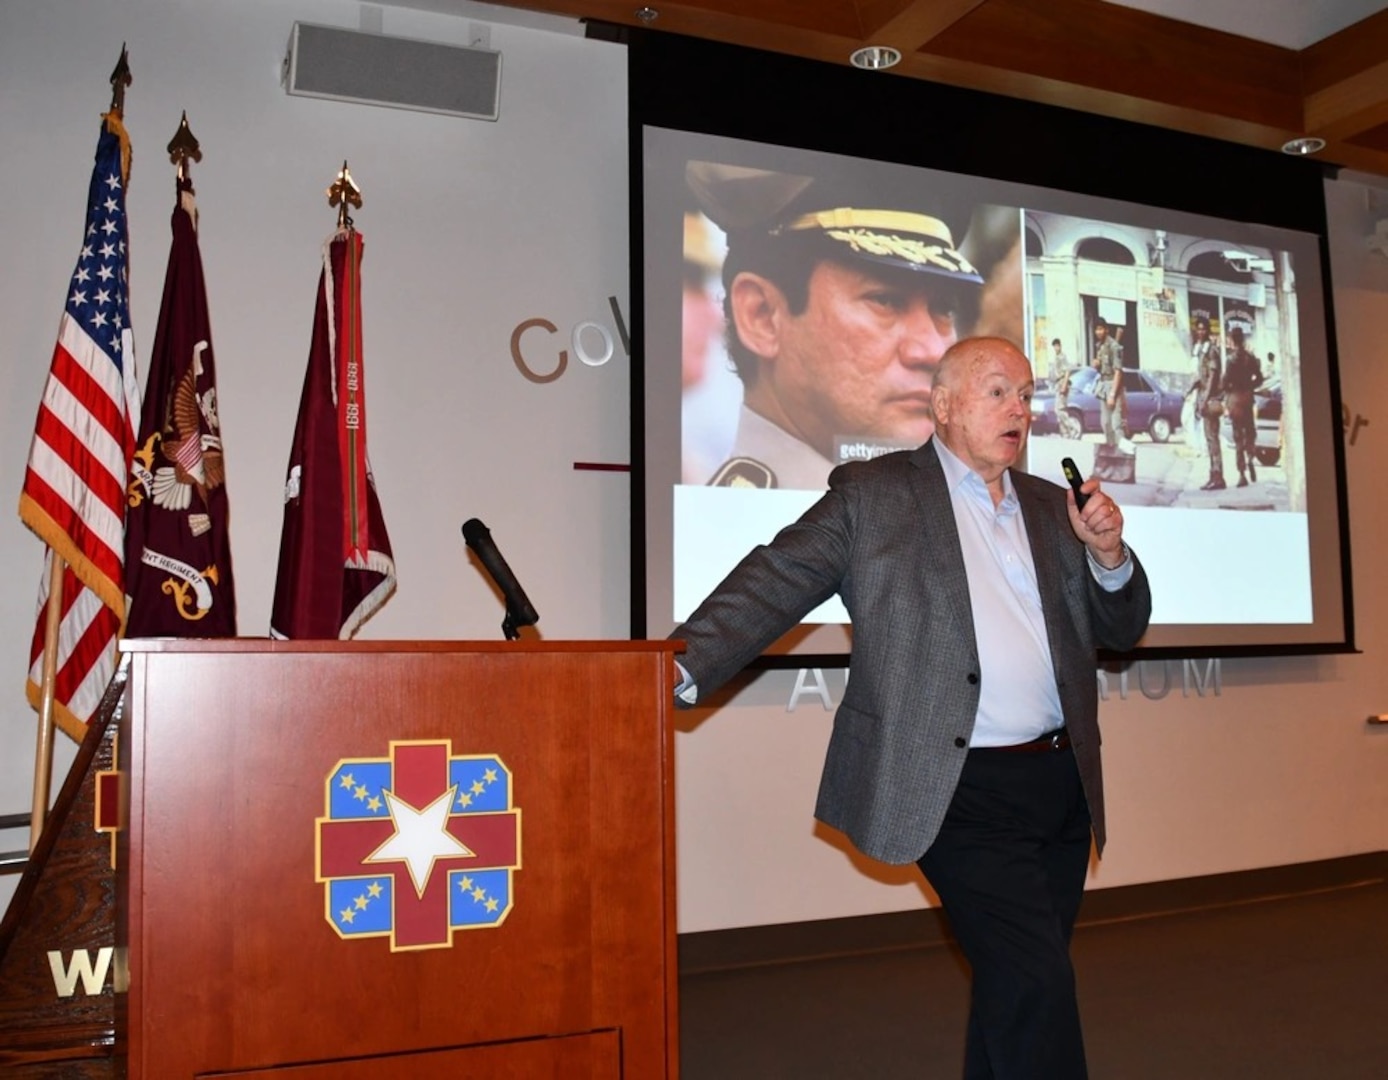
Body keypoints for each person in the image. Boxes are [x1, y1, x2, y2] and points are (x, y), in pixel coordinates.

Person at [672, 336, 1152, 1079]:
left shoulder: (1053, 508)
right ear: (944, 405)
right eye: (998, 392)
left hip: (1061, 786)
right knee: (1037, 982)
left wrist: (1110, 557)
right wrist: (671, 667)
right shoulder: (877, 495)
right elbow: (776, 577)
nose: (1018, 410)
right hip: (957, 787)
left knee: (1015, 986)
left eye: (1026, 395)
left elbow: (1120, 632)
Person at [687, 162, 988, 490]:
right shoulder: (720, 532)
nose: (933, 352)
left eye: (943, 308)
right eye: (885, 300)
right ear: (762, 317)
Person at [1222, 326, 1264, 487]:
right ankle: (1251, 456)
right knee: (1250, 431)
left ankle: (1241, 473)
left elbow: (1225, 382)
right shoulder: (1250, 358)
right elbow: (1259, 378)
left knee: (1238, 435)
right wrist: (1250, 386)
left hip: (1235, 400)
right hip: (1248, 398)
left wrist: (1228, 390)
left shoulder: (1230, 360)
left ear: (1232, 340)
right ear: (1243, 339)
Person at [1188, 316, 1225, 490]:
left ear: (1208, 330)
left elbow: (1212, 377)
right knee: (1208, 439)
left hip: (1210, 399)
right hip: (1203, 396)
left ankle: (1218, 478)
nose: (1201, 331)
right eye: (1198, 328)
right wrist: (1190, 392)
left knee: (1212, 438)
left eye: (1204, 329)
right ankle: (1214, 475)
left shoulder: (1211, 350)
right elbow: (1200, 378)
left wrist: (1204, 399)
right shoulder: (1201, 350)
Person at [1091, 320, 1122, 447]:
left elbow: (1118, 372)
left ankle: (1123, 457)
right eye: (1096, 329)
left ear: (1106, 330)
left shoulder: (1114, 346)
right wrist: (1096, 365)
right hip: (1103, 384)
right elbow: (1102, 367)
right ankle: (1111, 450)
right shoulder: (1100, 346)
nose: (1098, 332)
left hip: (1112, 384)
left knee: (1116, 425)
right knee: (1105, 423)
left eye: (1100, 329)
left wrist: (1112, 394)